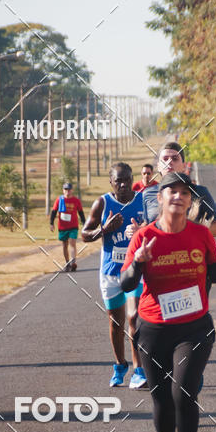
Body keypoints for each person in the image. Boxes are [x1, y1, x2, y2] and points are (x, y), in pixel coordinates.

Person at [120, 172, 216, 432]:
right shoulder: (144, 236)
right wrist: (138, 262)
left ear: (191, 201)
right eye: (171, 191)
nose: (178, 196)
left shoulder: (201, 234)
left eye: (185, 193)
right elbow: (126, 284)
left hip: (194, 328)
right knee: (161, 398)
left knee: (183, 392)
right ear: (159, 198)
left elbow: (213, 274)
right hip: (153, 330)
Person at [82, 162, 147, 389]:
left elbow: (156, 227)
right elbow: (84, 234)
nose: (122, 184)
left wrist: (142, 229)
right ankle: (120, 365)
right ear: (111, 182)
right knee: (116, 323)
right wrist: (104, 229)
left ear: (132, 179)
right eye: (117, 180)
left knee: (135, 318)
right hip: (110, 272)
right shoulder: (102, 203)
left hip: (136, 271)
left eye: (126, 179)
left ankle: (139, 370)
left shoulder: (143, 200)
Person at [126, 142, 216, 239]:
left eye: (175, 159)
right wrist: (138, 229)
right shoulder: (147, 193)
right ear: (159, 166)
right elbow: (148, 223)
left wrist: (189, 231)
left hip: (189, 253)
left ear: (183, 166)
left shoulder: (199, 192)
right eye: (165, 159)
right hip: (159, 253)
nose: (169, 162)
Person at [50, 182, 85, 272]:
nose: (67, 191)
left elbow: (80, 212)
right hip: (62, 226)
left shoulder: (76, 200)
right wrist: (51, 223)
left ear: (72, 190)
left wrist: (84, 223)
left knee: (72, 243)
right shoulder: (60, 200)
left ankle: (73, 262)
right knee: (64, 245)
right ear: (63, 190)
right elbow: (54, 212)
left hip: (73, 226)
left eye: (69, 190)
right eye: (65, 189)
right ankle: (67, 263)